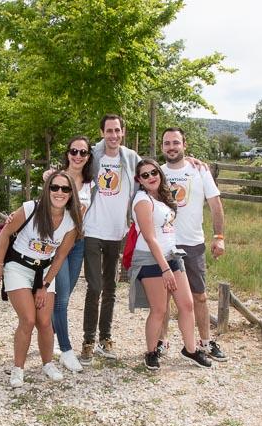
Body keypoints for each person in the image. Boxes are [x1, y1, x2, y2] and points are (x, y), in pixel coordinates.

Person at [0, 171, 83, 388]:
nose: (59, 192)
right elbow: (5, 234)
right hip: (19, 267)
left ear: (71, 193)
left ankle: (47, 363)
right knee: (28, 319)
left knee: (44, 321)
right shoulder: (30, 209)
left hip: (44, 270)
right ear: (47, 189)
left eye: (65, 189)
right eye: (54, 187)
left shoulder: (71, 221)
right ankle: (18, 368)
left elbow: (59, 257)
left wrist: (45, 285)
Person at [127, 158, 212, 371]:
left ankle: (190, 349)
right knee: (159, 309)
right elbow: (149, 238)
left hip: (172, 255)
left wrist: (191, 159)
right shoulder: (142, 200)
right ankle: (151, 352)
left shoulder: (162, 196)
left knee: (187, 304)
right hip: (151, 259)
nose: (150, 177)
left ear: (160, 173)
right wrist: (164, 268)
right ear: (139, 180)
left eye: (154, 172)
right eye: (145, 175)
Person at [158, 127, 227, 361]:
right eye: (167, 143)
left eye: (175, 142)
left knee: (200, 296)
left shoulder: (200, 171)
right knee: (164, 297)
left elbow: (215, 205)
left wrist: (219, 237)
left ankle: (205, 342)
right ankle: (162, 342)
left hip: (193, 243)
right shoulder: (158, 172)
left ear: (184, 145)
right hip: (166, 243)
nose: (171, 147)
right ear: (162, 147)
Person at [80, 114, 143, 364]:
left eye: (117, 130)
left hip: (117, 232)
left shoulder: (131, 158)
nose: (113, 135)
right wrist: (49, 174)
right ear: (102, 133)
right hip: (92, 230)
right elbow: (72, 167)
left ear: (123, 132)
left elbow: (154, 172)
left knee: (110, 287)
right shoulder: (93, 155)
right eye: (109, 131)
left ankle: (105, 338)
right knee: (94, 287)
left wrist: (191, 161)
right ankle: (88, 341)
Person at [51, 137, 95, 372]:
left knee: (64, 294)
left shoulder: (91, 183)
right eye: (74, 151)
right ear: (67, 153)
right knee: (62, 299)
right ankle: (65, 348)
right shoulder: (55, 178)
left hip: (78, 243)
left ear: (88, 156)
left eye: (83, 152)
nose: (78, 156)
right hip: (58, 244)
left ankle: (50, 334)